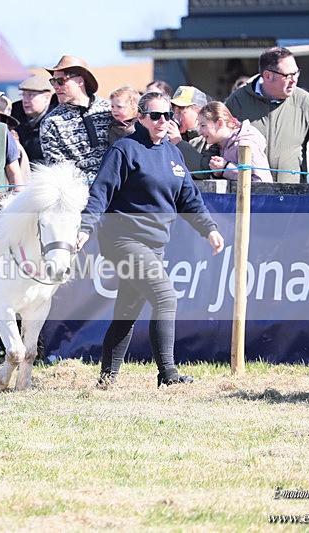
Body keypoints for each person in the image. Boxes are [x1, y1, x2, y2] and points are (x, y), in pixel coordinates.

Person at [77, 91, 225, 388]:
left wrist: (208, 228)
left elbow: (188, 198)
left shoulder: (173, 153)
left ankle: (107, 379)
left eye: (167, 115)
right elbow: (100, 193)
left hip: (154, 243)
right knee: (166, 297)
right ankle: (168, 374)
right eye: (155, 115)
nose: (162, 121)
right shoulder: (124, 150)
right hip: (123, 240)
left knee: (127, 311)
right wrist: (84, 228)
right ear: (141, 117)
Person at [225, 46, 309, 183]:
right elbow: (215, 142)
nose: (294, 80)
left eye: (296, 73)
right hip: (247, 195)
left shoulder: (305, 102)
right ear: (267, 76)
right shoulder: (237, 101)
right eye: (288, 75)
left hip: (292, 196)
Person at [40, 55, 112, 179]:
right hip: (78, 193)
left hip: (117, 189)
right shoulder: (50, 122)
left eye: (61, 80)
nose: (56, 86)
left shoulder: (109, 110)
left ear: (80, 81)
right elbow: (58, 169)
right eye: (53, 81)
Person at [197, 101, 273, 182]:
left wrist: (226, 168)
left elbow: (260, 181)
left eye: (203, 125)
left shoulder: (246, 144)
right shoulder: (221, 146)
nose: (199, 132)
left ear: (220, 123)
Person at [167, 85, 216, 174]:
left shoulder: (209, 137)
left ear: (198, 112)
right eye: (173, 112)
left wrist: (178, 143)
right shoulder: (170, 136)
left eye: (180, 112)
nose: (174, 117)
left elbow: (204, 171)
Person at [11, 74, 56, 164]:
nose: (25, 100)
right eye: (23, 95)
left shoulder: (59, 119)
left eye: (30, 95)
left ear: (47, 98)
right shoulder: (14, 115)